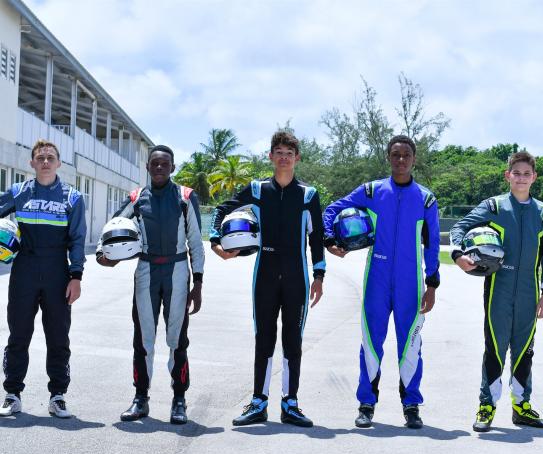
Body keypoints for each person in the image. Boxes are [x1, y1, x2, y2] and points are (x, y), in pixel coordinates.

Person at [323, 135, 440, 429]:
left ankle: (411, 404)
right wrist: (329, 239)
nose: (401, 160)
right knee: (370, 343)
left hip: (410, 283)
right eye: (396, 155)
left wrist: (432, 284)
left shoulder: (426, 199)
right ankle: (366, 404)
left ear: (414, 159)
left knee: (410, 345)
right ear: (388, 158)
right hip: (376, 278)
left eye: (406, 155)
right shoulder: (372, 191)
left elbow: (433, 244)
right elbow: (331, 210)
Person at [210, 131, 325, 428]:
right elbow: (222, 210)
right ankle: (258, 402)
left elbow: (317, 237)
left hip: (297, 277)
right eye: (279, 151)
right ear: (270, 156)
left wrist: (319, 274)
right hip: (265, 273)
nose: (284, 157)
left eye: (289, 152)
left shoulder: (309, 195)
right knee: (264, 338)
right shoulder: (258, 190)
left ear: (297, 158)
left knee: (292, 341)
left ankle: (291, 403)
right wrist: (216, 242)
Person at [96, 145, 204, 425]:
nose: (159, 168)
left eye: (164, 164)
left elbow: (195, 241)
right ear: (147, 167)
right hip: (146, 270)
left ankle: (179, 399)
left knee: (177, 339)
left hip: (178, 271)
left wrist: (199, 282)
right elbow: (114, 225)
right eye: (154, 163)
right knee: (143, 339)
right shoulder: (137, 197)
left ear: (172, 168)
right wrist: (103, 253)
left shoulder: (185, 197)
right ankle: (140, 398)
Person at [450, 150, 543, 433]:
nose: (521, 178)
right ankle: (487, 406)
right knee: (495, 348)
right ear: (507, 175)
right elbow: (460, 227)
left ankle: (521, 406)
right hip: (498, 288)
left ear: (534, 177)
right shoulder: (495, 207)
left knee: (524, 350)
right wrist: (459, 254)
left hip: (529, 293)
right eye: (516, 173)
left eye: (527, 174)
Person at [0, 139, 86, 418]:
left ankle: (58, 396)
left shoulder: (72, 197)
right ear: (32, 163)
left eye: (51, 157)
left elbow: (77, 240)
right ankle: (12, 394)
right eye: (41, 157)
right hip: (24, 268)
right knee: (19, 334)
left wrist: (76, 276)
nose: (46, 161)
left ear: (59, 163)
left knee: (58, 336)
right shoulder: (18, 192)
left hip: (57, 272)